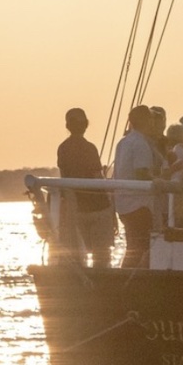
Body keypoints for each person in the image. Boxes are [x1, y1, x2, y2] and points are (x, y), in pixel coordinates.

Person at [56, 108, 115, 268]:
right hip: (98, 206)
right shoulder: (90, 148)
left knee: (75, 255)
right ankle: (102, 281)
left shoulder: (63, 148)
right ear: (86, 125)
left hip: (76, 207)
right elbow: (97, 176)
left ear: (68, 125)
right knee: (102, 255)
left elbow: (65, 178)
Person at [113, 105, 158, 268]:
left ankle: (125, 277)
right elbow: (141, 173)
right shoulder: (140, 144)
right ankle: (128, 279)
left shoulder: (123, 142)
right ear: (146, 121)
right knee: (141, 247)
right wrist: (158, 180)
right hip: (139, 205)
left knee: (132, 246)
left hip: (123, 204)